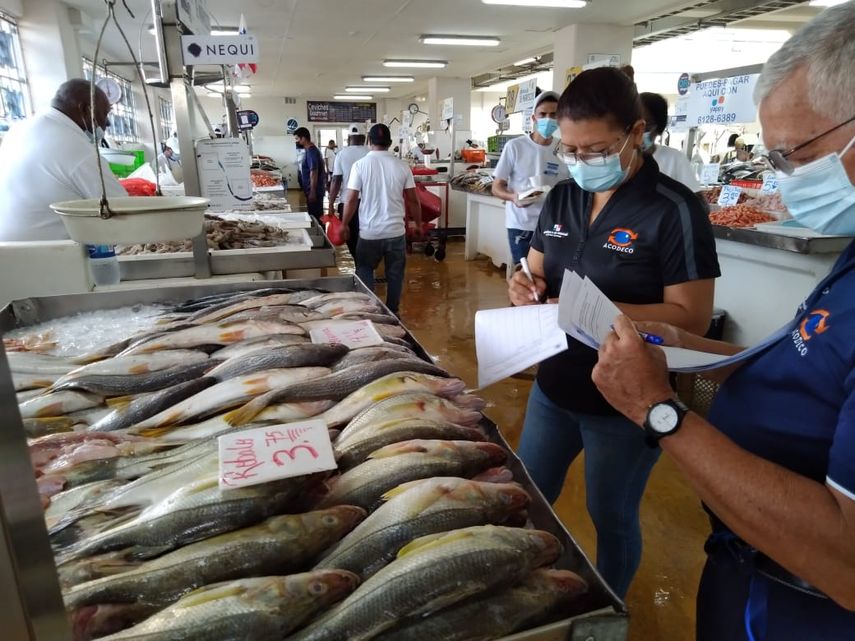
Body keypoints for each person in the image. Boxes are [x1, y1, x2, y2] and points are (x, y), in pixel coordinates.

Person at [592, 5, 855, 639]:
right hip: (749, 577)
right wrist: (697, 349)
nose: (785, 178)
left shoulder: (670, 208)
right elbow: (808, 363)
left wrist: (659, 411)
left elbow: (848, 560)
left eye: (794, 154)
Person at [508, 67, 720, 599]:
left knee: (611, 514)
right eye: (571, 150)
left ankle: (609, 607)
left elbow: (690, 317)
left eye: (596, 149)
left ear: (636, 131)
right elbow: (535, 269)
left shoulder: (674, 209)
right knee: (527, 495)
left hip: (627, 400)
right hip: (554, 384)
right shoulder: (561, 198)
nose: (581, 163)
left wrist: (593, 308)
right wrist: (524, 284)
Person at [0, 79, 127, 242]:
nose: (107, 123)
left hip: (8, 253)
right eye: (105, 114)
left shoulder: (20, 129)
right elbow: (124, 212)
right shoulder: (76, 147)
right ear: (85, 110)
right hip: (51, 257)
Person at [343, 123, 421, 316]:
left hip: (370, 233)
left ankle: (371, 311)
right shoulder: (402, 166)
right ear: (389, 143)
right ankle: (393, 311)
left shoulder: (360, 165)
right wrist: (418, 224)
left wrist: (344, 224)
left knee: (365, 269)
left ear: (369, 141)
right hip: (395, 232)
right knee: (395, 275)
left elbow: (351, 199)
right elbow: (413, 200)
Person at [492, 90, 569, 266]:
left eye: (553, 114)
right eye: (543, 114)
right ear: (534, 118)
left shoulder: (563, 148)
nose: (548, 119)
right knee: (526, 277)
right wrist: (514, 197)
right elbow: (497, 187)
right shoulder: (516, 147)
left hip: (554, 226)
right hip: (522, 225)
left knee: (550, 277)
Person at [639, 92, 702, 192]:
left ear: (659, 126)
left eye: (647, 125)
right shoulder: (619, 160)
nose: (639, 131)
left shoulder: (675, 159)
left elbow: (696, 197)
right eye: (634, 124)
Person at [328, 123, 369, 258]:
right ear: (364, 137)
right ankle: (366, 265)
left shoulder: (341, 154)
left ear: (348, 137)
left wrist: (330, 203)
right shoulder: (370, 153)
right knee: (367, 236)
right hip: (369, 203)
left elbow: (336, 180)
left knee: (350, 236)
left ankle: (359, 264)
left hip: (347, 202)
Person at [293, 127, 325, 220]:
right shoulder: (309, 150)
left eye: (297, 139)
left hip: (315, 191)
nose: (296, 141)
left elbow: (313, 172)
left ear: (303, 138)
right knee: (314, 215)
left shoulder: (311, 151)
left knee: (316, 217)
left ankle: (319, 234)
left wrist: (312, 192)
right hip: (312, 190)